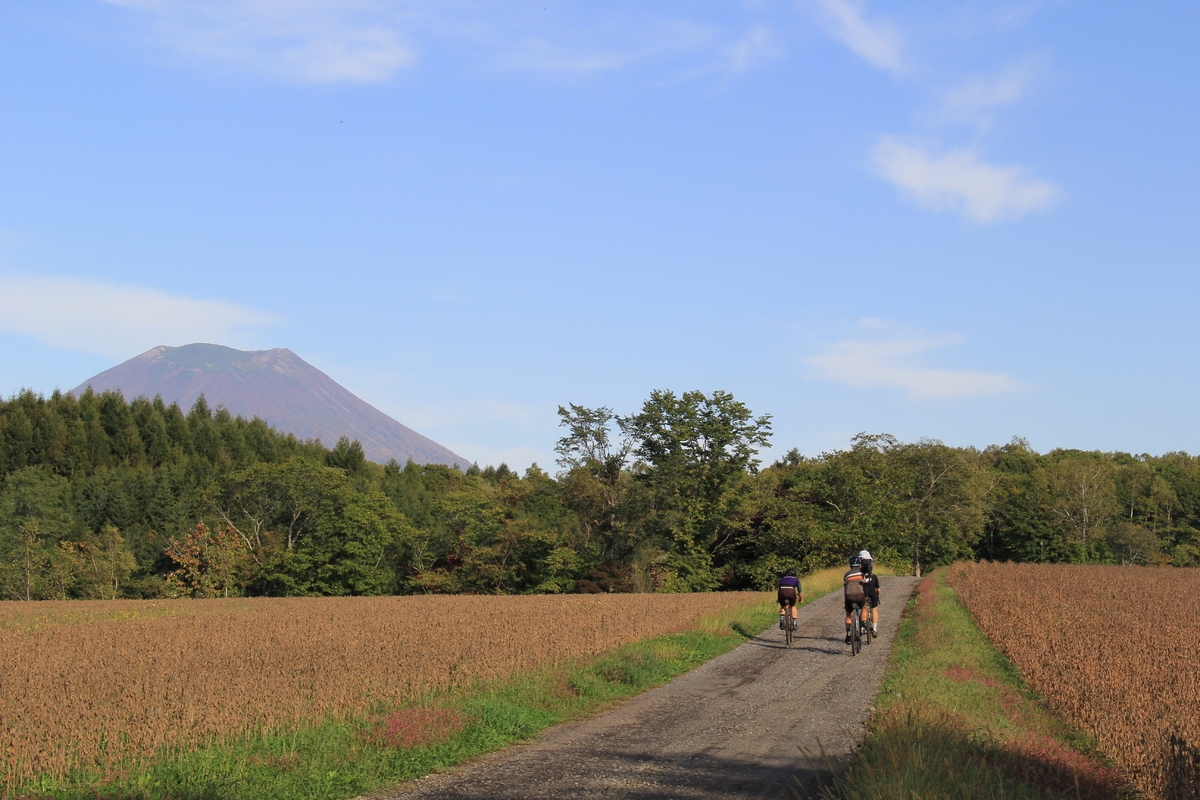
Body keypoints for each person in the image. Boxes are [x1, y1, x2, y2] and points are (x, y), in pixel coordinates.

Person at [843, 555, 868, 644]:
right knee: (864, 607)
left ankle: (849, 631)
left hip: (848, 596)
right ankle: (863, 625)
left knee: (848, 614)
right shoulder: (862, 572)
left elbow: (845, 587)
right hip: (859, 595)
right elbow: (866, 584)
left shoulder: (847, 574)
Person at [859, 549, 880, 635]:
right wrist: (877, 596)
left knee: (863, 608)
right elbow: (878, 589)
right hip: (872, 592)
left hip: (863, 592)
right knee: (874, 609)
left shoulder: (859, 575)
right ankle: (874, 629)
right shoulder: (874, 576)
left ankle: (863, 627)